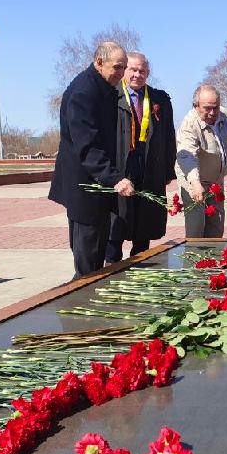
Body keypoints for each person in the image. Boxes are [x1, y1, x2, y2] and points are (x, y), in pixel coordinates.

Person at [48, 41, 133, 278]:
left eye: (123, 67)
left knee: (97, 254)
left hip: (97, 186)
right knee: (87, 260)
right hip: (84, 186)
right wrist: (114, 178)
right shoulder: (83, 92)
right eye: (117, 67)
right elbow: (87, 145)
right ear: (99, 62)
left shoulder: (102, 87)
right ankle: (81, 307)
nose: (121, 73)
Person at [104, 51, 176, 264]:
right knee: (115, 225)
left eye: (142, 70)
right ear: (124, 70)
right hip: (120, 169)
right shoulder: (110, 95)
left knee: (143, 226)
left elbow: (168, 137)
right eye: (132, 69)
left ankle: (139, 267)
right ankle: (112, 269)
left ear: (148, 73)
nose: (137, 74)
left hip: (149, 169)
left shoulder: (159, 99)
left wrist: (167, 170)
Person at [176, 85, 227, 238]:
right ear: (195, 106)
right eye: (207, 108)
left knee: (216, 229)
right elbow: (186, 155)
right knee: (196, 230)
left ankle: (214, 260)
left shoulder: (225, 115)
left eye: (215, 107)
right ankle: (194, 260)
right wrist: (195, 183)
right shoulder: (189, 124)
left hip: (216, 181)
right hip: (194, 180)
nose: (213, 113)